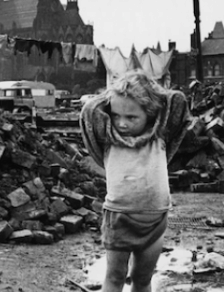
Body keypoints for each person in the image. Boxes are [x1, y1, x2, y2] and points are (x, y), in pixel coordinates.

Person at [80, 70, 190, 292]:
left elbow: (177, 102)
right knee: (115, 277)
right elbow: (89, 110)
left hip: (155, 222)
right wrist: (117, 91)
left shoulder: (159, 135)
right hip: (120, 218)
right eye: (116, 115)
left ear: (150, 114)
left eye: (131, 117)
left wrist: (146, 88)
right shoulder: (108, 138)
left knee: (142, 279)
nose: (122, 123)